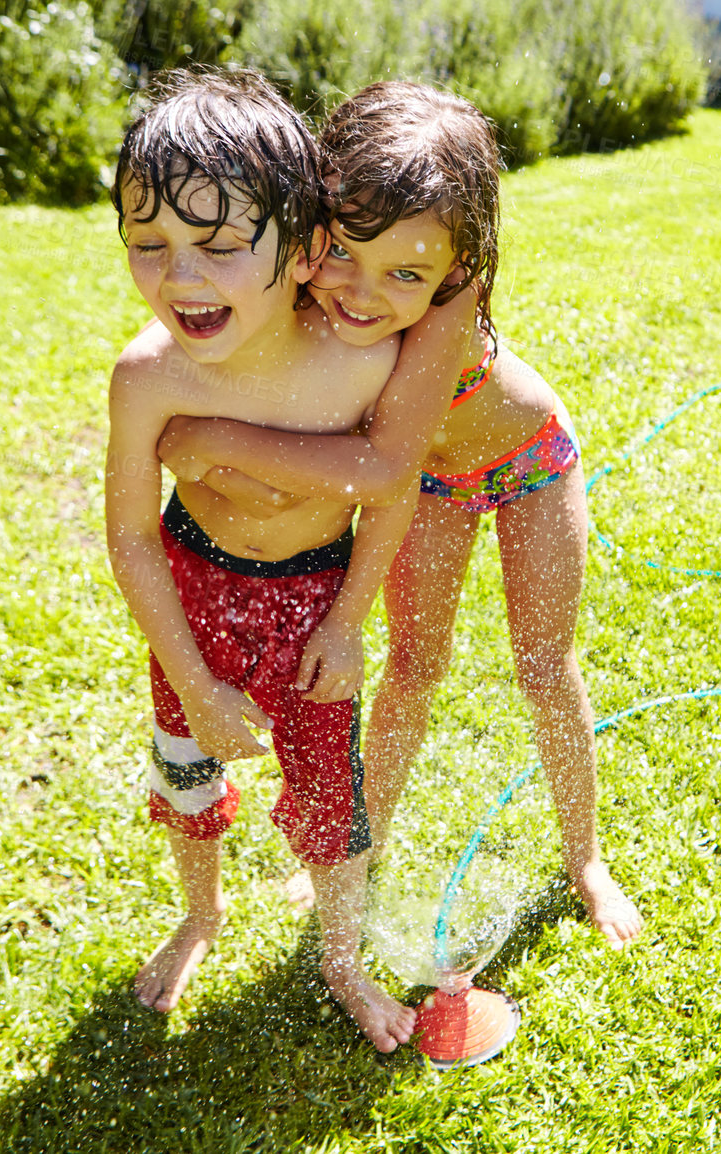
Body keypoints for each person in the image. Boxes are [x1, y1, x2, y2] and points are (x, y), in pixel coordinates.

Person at [157, 82, 642, 948]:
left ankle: (585, 861)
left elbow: (380, 466)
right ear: (313, 220)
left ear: (458, 267)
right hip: (425, 487)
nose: (363, 293)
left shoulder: (446, 309)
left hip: (522, 460)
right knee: (413, 667)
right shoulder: (299, 273)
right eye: (344, 251)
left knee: (542, 664)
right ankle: (359, 852)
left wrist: (211, 437)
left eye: (405, 274)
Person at [104, 68, 459, 1051]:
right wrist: (190, 675)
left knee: (329, 792)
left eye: (218, 247)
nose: (182, 278)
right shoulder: (146, 377)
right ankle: (201, 912)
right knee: (185, 768)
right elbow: (131, 534)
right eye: (150, 247)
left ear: (303, 252)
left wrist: (349, 622)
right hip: (194, 584)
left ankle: (340, 955)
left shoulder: (356, 360)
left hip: (312, 602)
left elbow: (390, 486)